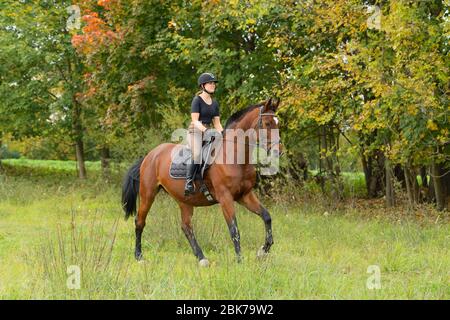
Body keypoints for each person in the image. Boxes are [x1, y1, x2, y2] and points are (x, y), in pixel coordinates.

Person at [185, 73, 223, 196]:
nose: (213, 85)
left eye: (214, 83)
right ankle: (189, 182)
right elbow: (195, 120)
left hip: (209, 132)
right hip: (195, 131)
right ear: (203, 85)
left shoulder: (215, 103)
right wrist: (206, 131)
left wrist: (223, 134)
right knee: (197, 154)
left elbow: (217, 123)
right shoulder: (197, 100)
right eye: (210, 83)